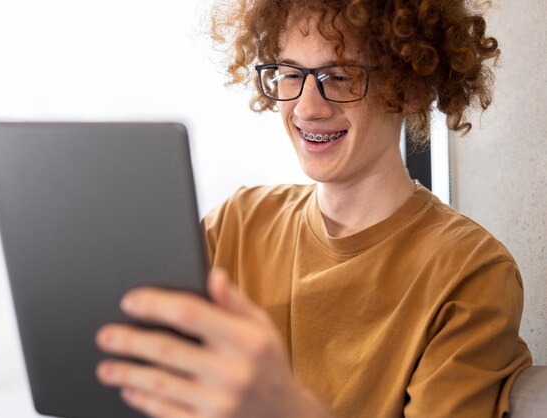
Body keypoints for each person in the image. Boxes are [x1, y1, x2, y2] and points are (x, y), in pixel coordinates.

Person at [94, 0, 532, 416]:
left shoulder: (471, 273)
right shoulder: (236, 224)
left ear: (411, 88)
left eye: (339, 77)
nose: (306, 107)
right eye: (289, 74)